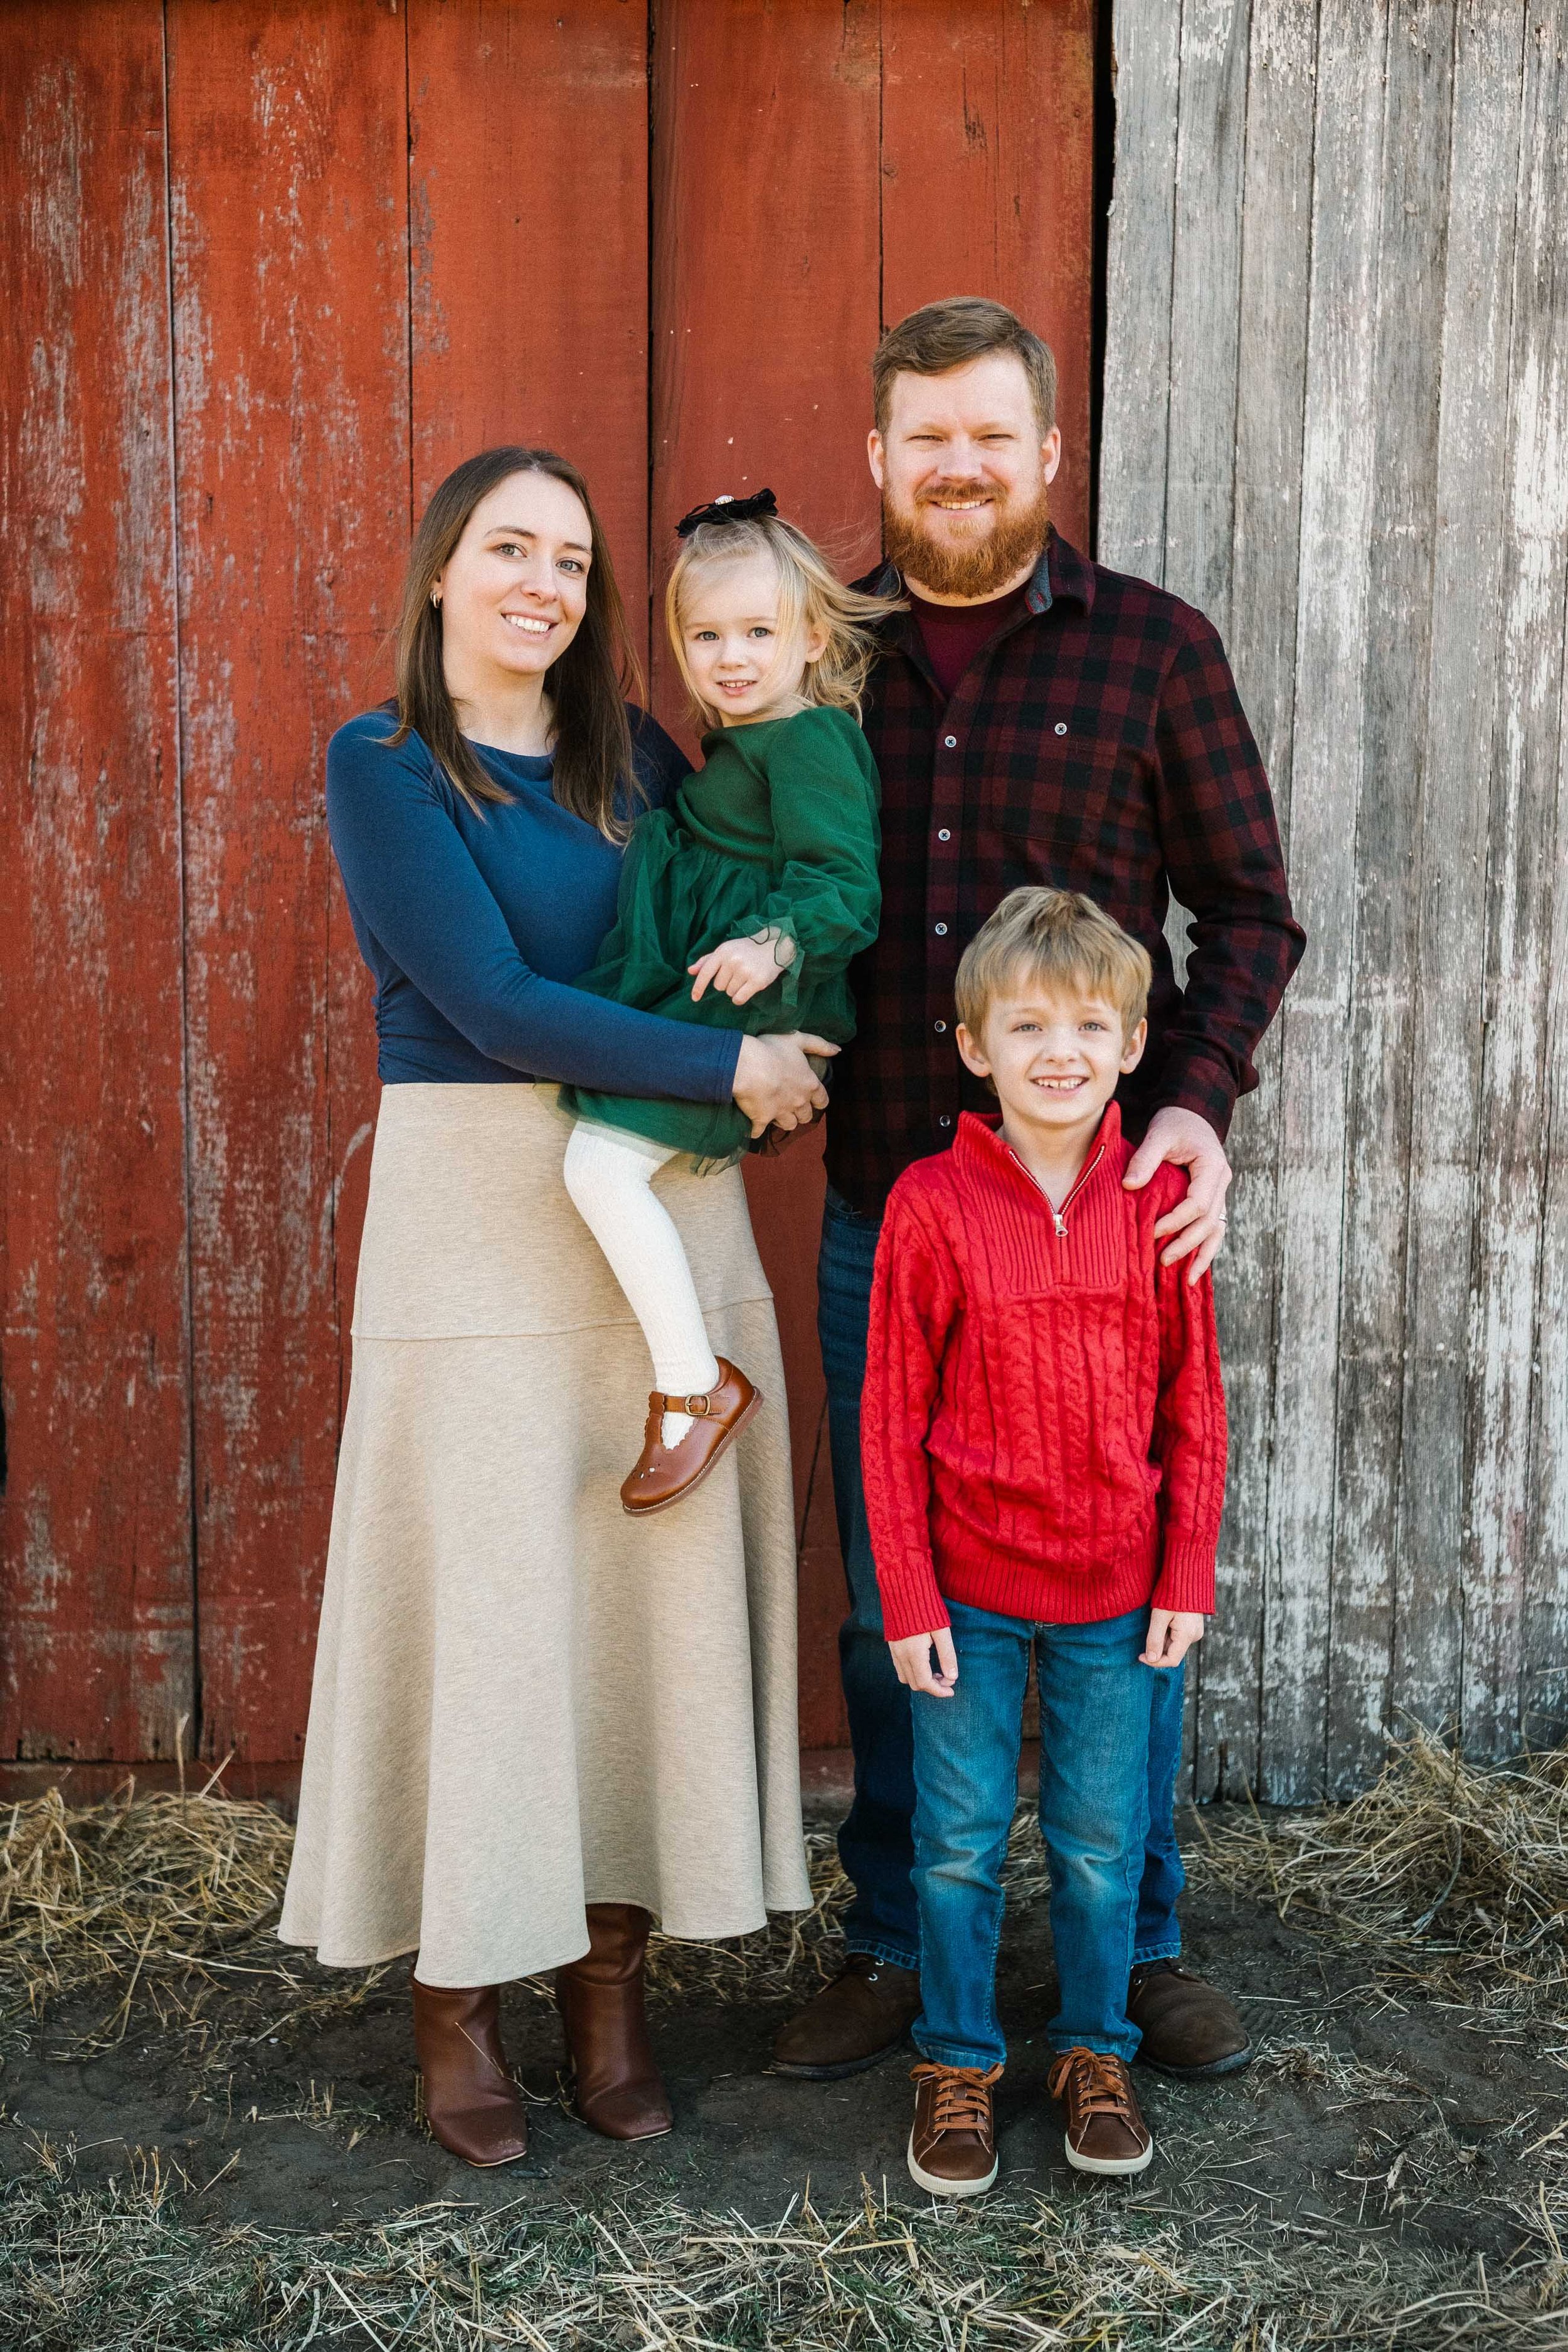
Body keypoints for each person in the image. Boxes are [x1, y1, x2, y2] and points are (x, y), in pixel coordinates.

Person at [773, 297, 1305, 2083]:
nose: (959, 466)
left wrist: (1201, 1106)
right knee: (886, 1594)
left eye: (991, 434)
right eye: (925, 436)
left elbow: (1248, 911)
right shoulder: (821, 654)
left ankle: (1132, 1947)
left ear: (1046, 452)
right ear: (875, 456)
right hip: (891, 1212)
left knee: (1119, 1584)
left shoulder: (1150, 651)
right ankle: (886, 1943)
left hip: (1105, 1232)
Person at [278, 446, 824, 2168]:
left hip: (658, 1196)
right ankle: (459, 2001)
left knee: (624, 1606)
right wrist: (727, 1058)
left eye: (573, 562)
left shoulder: (632, 755)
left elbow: (750, 885)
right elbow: (496, 1000)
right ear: (441, 569)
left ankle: (608, 1988)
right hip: (478, 1213)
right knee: (493, 1599)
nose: (544, 583)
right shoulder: (387, 764)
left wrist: (792, 967)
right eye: (509, 548)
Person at [862, 887, 1227, 2194]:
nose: (1056, 1050)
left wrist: (1182, 1570)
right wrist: (905, 1593)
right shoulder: (931, 1204)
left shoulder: (1158, 1203)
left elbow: (1196, 1404)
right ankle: (955, 2060)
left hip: (1114, 1599)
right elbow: (888, 1413)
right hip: (964, 1592)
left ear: (1133, 1044)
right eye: (1025, 1025)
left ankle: (1092, 2049)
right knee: (956, 1841)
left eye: (1086, 1024)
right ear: (974, 1047)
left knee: (1094, 1838)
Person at [558, 492, 896, 1515]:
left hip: (762, 995)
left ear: (808, 638)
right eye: (707, 635)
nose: (733, 656)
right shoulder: (743, 745)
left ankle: (695, 1387)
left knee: (600, 1165)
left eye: (760, 632)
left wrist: (774, 939)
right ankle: (689, 1385)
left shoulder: (809, 743)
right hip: (724, 991)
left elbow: (846, 879)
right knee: (599, 1156)